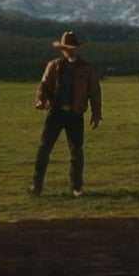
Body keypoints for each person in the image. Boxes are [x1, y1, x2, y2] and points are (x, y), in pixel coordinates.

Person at [31, 31, 102, 197]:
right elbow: (44, 85)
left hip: (75, 115)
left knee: (76, 152)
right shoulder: (54, 66)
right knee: (44, 150)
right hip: (55, 112)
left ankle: (77, 187)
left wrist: (96, 113)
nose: (71, 51)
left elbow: (94, 91)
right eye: (68, 49)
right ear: (62, 50)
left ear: (77, 49)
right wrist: (41, 100)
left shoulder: (87, 69)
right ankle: (36, 186)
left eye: (73, 48)